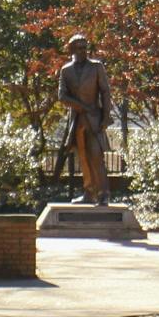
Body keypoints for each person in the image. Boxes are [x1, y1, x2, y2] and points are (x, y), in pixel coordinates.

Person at [54, 34, 113, 203]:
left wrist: (106, 116)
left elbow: (105, 91)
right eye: (79, 48)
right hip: (77, 119)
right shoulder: (66, 70)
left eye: (85, 47)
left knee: (96, 155)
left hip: (94, 119)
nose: (83, 51)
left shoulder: (96, 67)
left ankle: (103, 194)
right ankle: (89, 193)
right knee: (83, 157)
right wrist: (80, 106)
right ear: (72, 49)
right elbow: (62, 96)